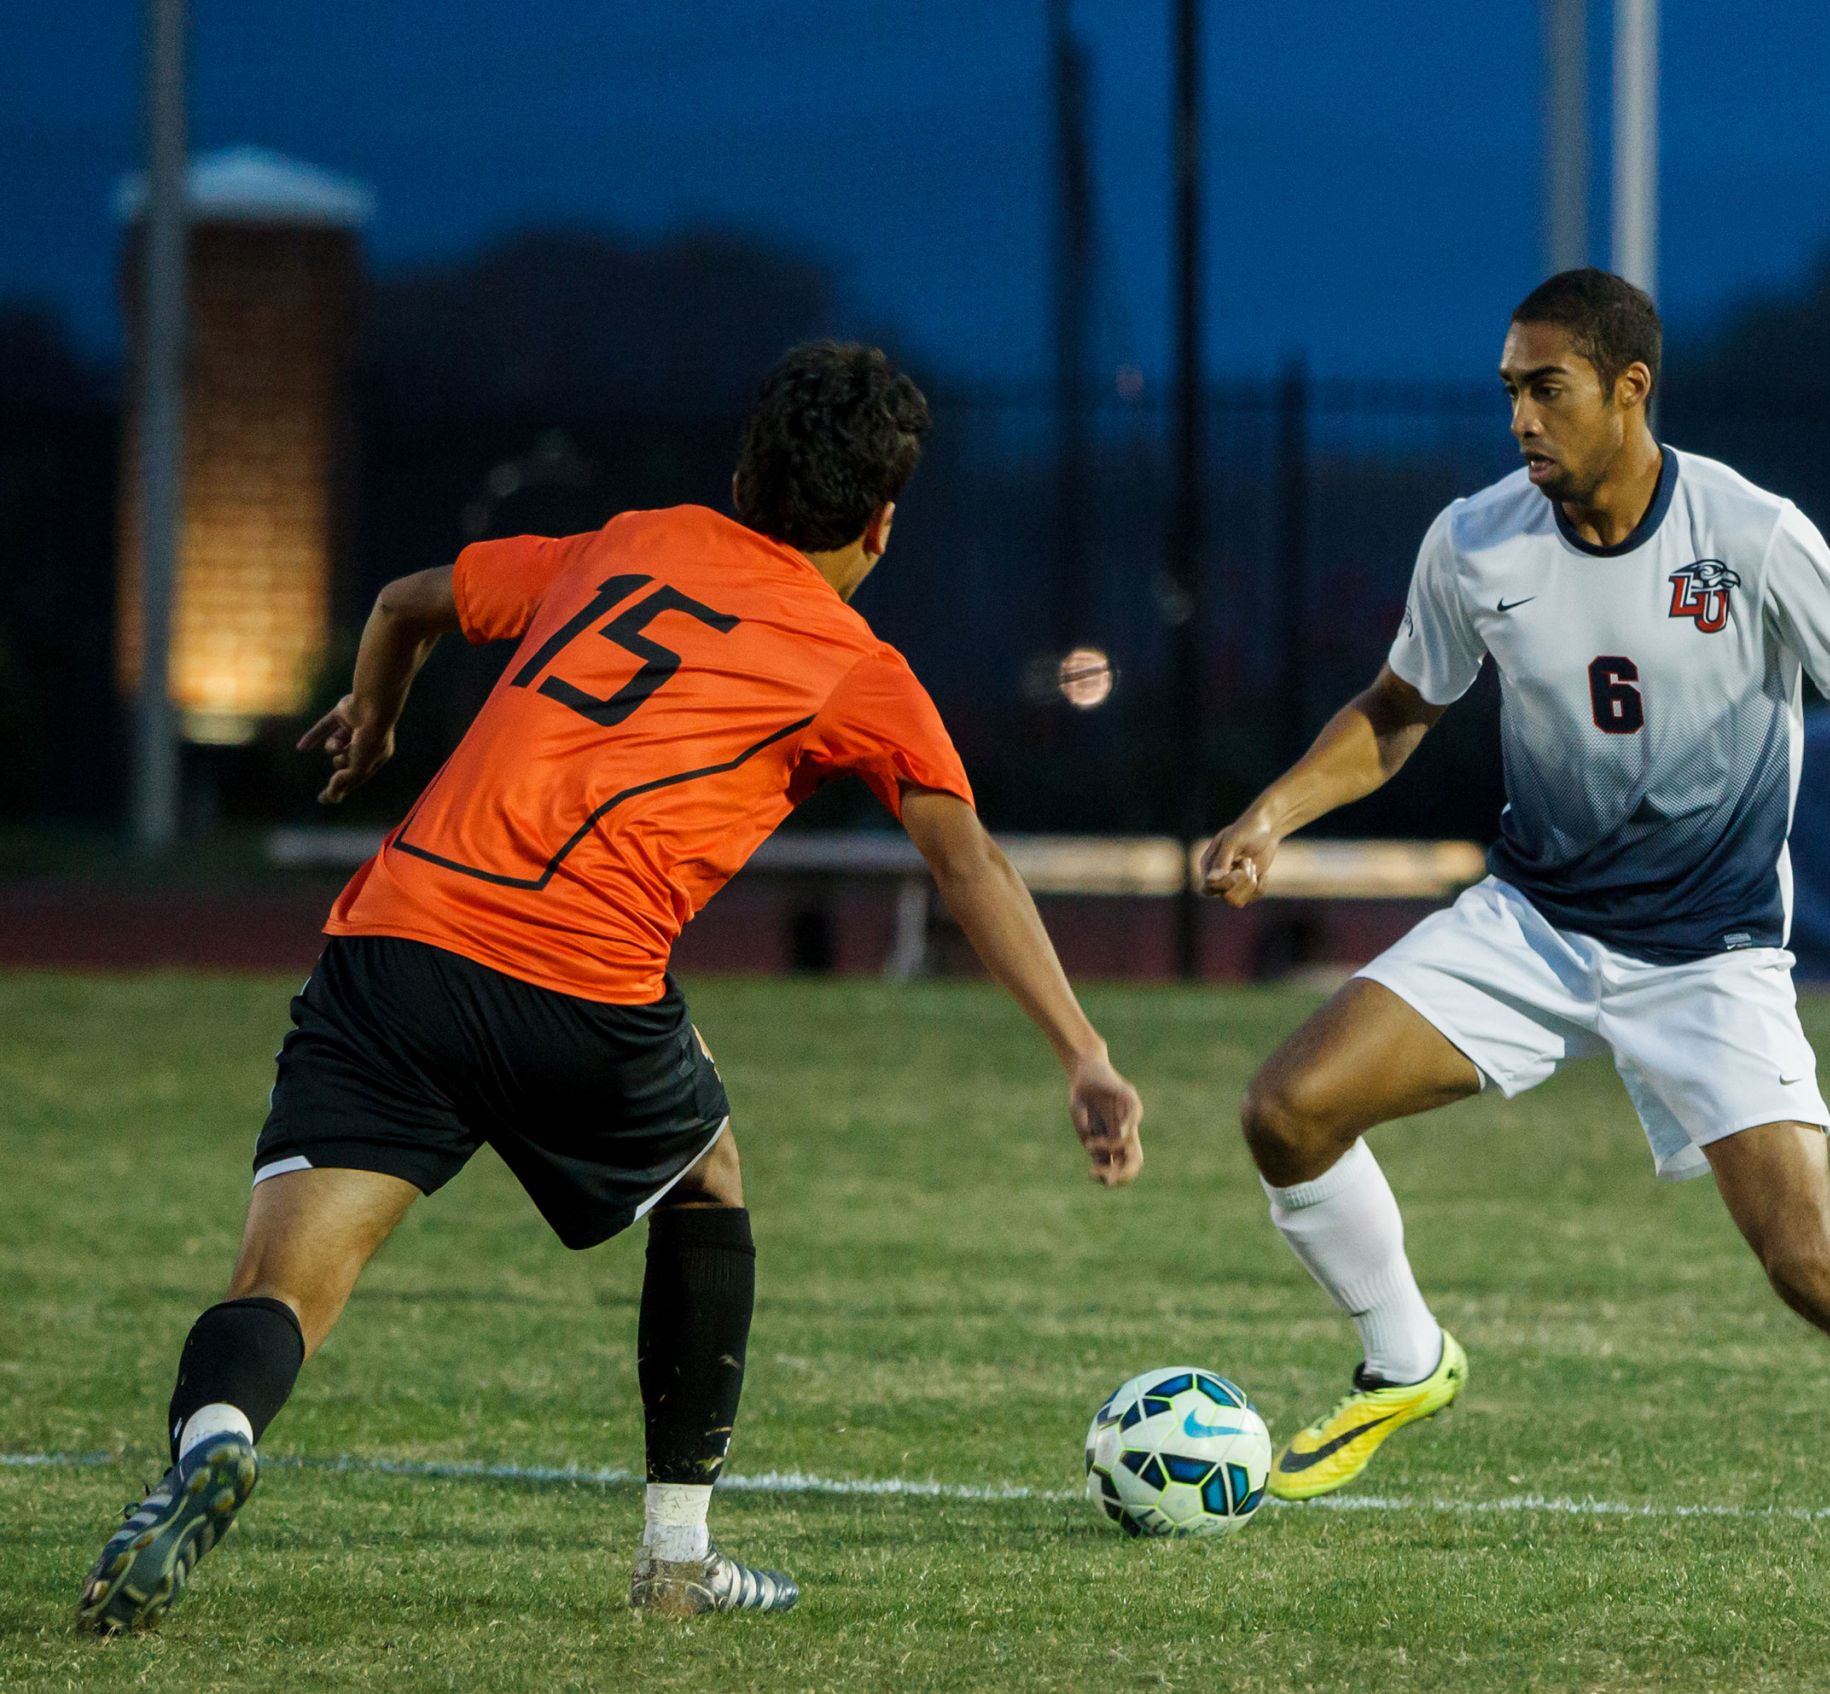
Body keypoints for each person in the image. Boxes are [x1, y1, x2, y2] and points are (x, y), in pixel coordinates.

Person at [77, 341, 1145, 1635]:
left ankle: (215, 1438)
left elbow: (406, 602)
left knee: (279, 1282)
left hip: (394, 947)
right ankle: (677, 1560)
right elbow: (966, 864)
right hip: (578, 983)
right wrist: (1083, 1051)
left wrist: (373, 714)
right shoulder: (855, 664)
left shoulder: (631, 540)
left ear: (743, 474)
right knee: (710, 1177)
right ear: (881, 524)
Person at [1199, 269, 1830, 1556]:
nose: (1519, 416)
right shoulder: (1474, 539)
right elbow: (1397, 710)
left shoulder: (1752, 533)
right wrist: (1273, 813)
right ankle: (1404, 1358)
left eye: (1545, 388)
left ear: (1631, 389)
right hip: (1533, 922)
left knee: (1810, 1265)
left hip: (1712, 954)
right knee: (1285, 1108)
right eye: (1508, 389)